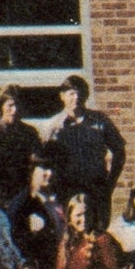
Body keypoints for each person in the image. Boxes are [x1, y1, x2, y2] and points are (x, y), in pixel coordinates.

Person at [44, 74, 127, 232]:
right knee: (68, 233)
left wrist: (110, 183)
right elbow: (43, 160)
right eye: (71, 93)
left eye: (80, 93)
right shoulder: (53, 126)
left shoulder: (100, 121)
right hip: (66, 189)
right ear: (62, 96)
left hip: (96, 188)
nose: (76, 98)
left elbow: (119, 150)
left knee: (98, 232)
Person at [0, 86, 42, 210]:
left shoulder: (29, 133)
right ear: (0, 106)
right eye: (10, 105)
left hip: (24, 195)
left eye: (18, 105)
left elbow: (37, 165)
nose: (14, 110)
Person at [7, 154, 65, 269]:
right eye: (44, 168)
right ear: (31, 171)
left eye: (52, 168)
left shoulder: (58, 199)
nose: (49, 173)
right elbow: (16, 247)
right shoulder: (21, 206)